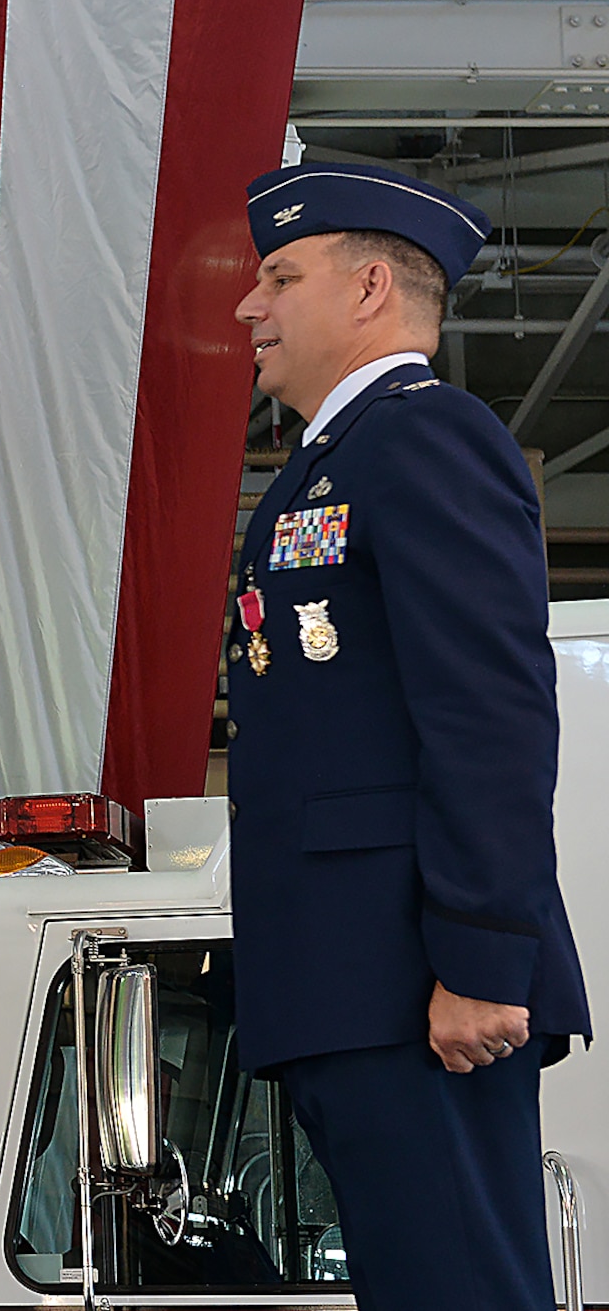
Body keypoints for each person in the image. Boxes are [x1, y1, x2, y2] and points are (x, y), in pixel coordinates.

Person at [227, 162, 591, 1309]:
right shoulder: (328, 466)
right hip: (350, 979)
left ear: (370, 285)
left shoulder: (426, 439)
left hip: (418, 986)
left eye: (279, 275)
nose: (249, 305)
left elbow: (485, 715)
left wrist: (481, 958)